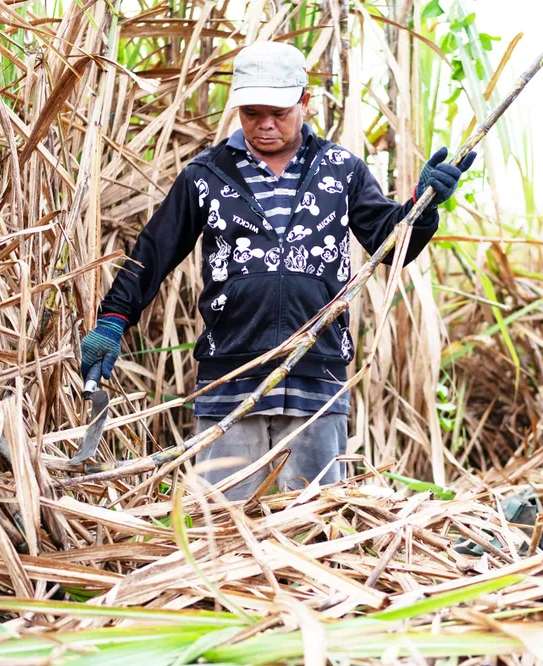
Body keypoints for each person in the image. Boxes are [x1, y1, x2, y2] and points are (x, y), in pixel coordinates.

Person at [79, 41, 476, 499]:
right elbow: (154, 250)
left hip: (316, 374)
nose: (265, 124)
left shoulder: (340, 169)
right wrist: (113, 319)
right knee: (223, 527)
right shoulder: (206, 175)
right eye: (252, 113)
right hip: (231, 373)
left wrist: (420, 207)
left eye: (279, 112)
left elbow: (391, 246)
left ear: (304, 102)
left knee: (315, 526)